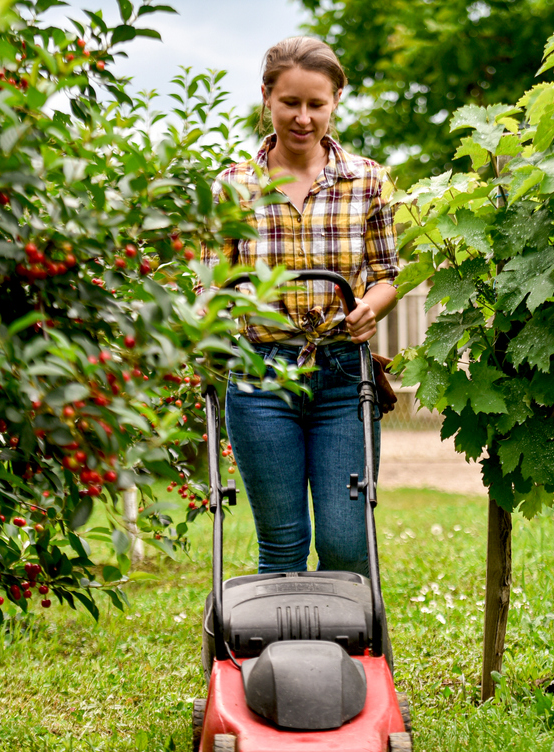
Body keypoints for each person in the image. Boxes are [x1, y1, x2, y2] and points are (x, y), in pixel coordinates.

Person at [205, 36, 398, 578]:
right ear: (267, 97)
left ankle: (348, 657)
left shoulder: (368, 180)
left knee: (346, 543)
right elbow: (210, 286)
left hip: (342, 376)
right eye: (290, 102)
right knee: (283, 545)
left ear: (337, 99)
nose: (303, 118)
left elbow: (386, 276)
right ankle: (282, 660)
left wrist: (371, 309)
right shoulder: (233, 188)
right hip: (260, 378)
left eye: (317, 104)